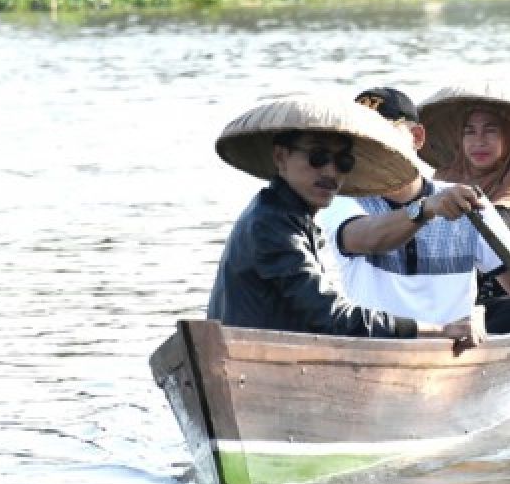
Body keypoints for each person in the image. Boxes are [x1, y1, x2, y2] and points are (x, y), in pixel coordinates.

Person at [205, 95, 484, 353]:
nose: (330, 172)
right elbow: (330, 316)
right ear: (281, 157)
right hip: (253, 363)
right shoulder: (271, 224)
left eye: (344, 162)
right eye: (318, 158)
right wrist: (435, 331)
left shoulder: (289, 215)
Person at [315, 86, 510, 334]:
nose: (370, 146)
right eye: (360, 138)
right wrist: (425, 210)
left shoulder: (469, 201)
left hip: (457, 348)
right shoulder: (345, 200)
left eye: (381, 133)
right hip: (376, 342)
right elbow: (366, 238)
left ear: (416, 138)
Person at [418, 84, 510, 333]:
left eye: (490, 131)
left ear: (507, 139)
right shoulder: (444, 178)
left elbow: (476, 234)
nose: (479, 142)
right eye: (470, 132)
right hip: (440, 298)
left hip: (499, 300)